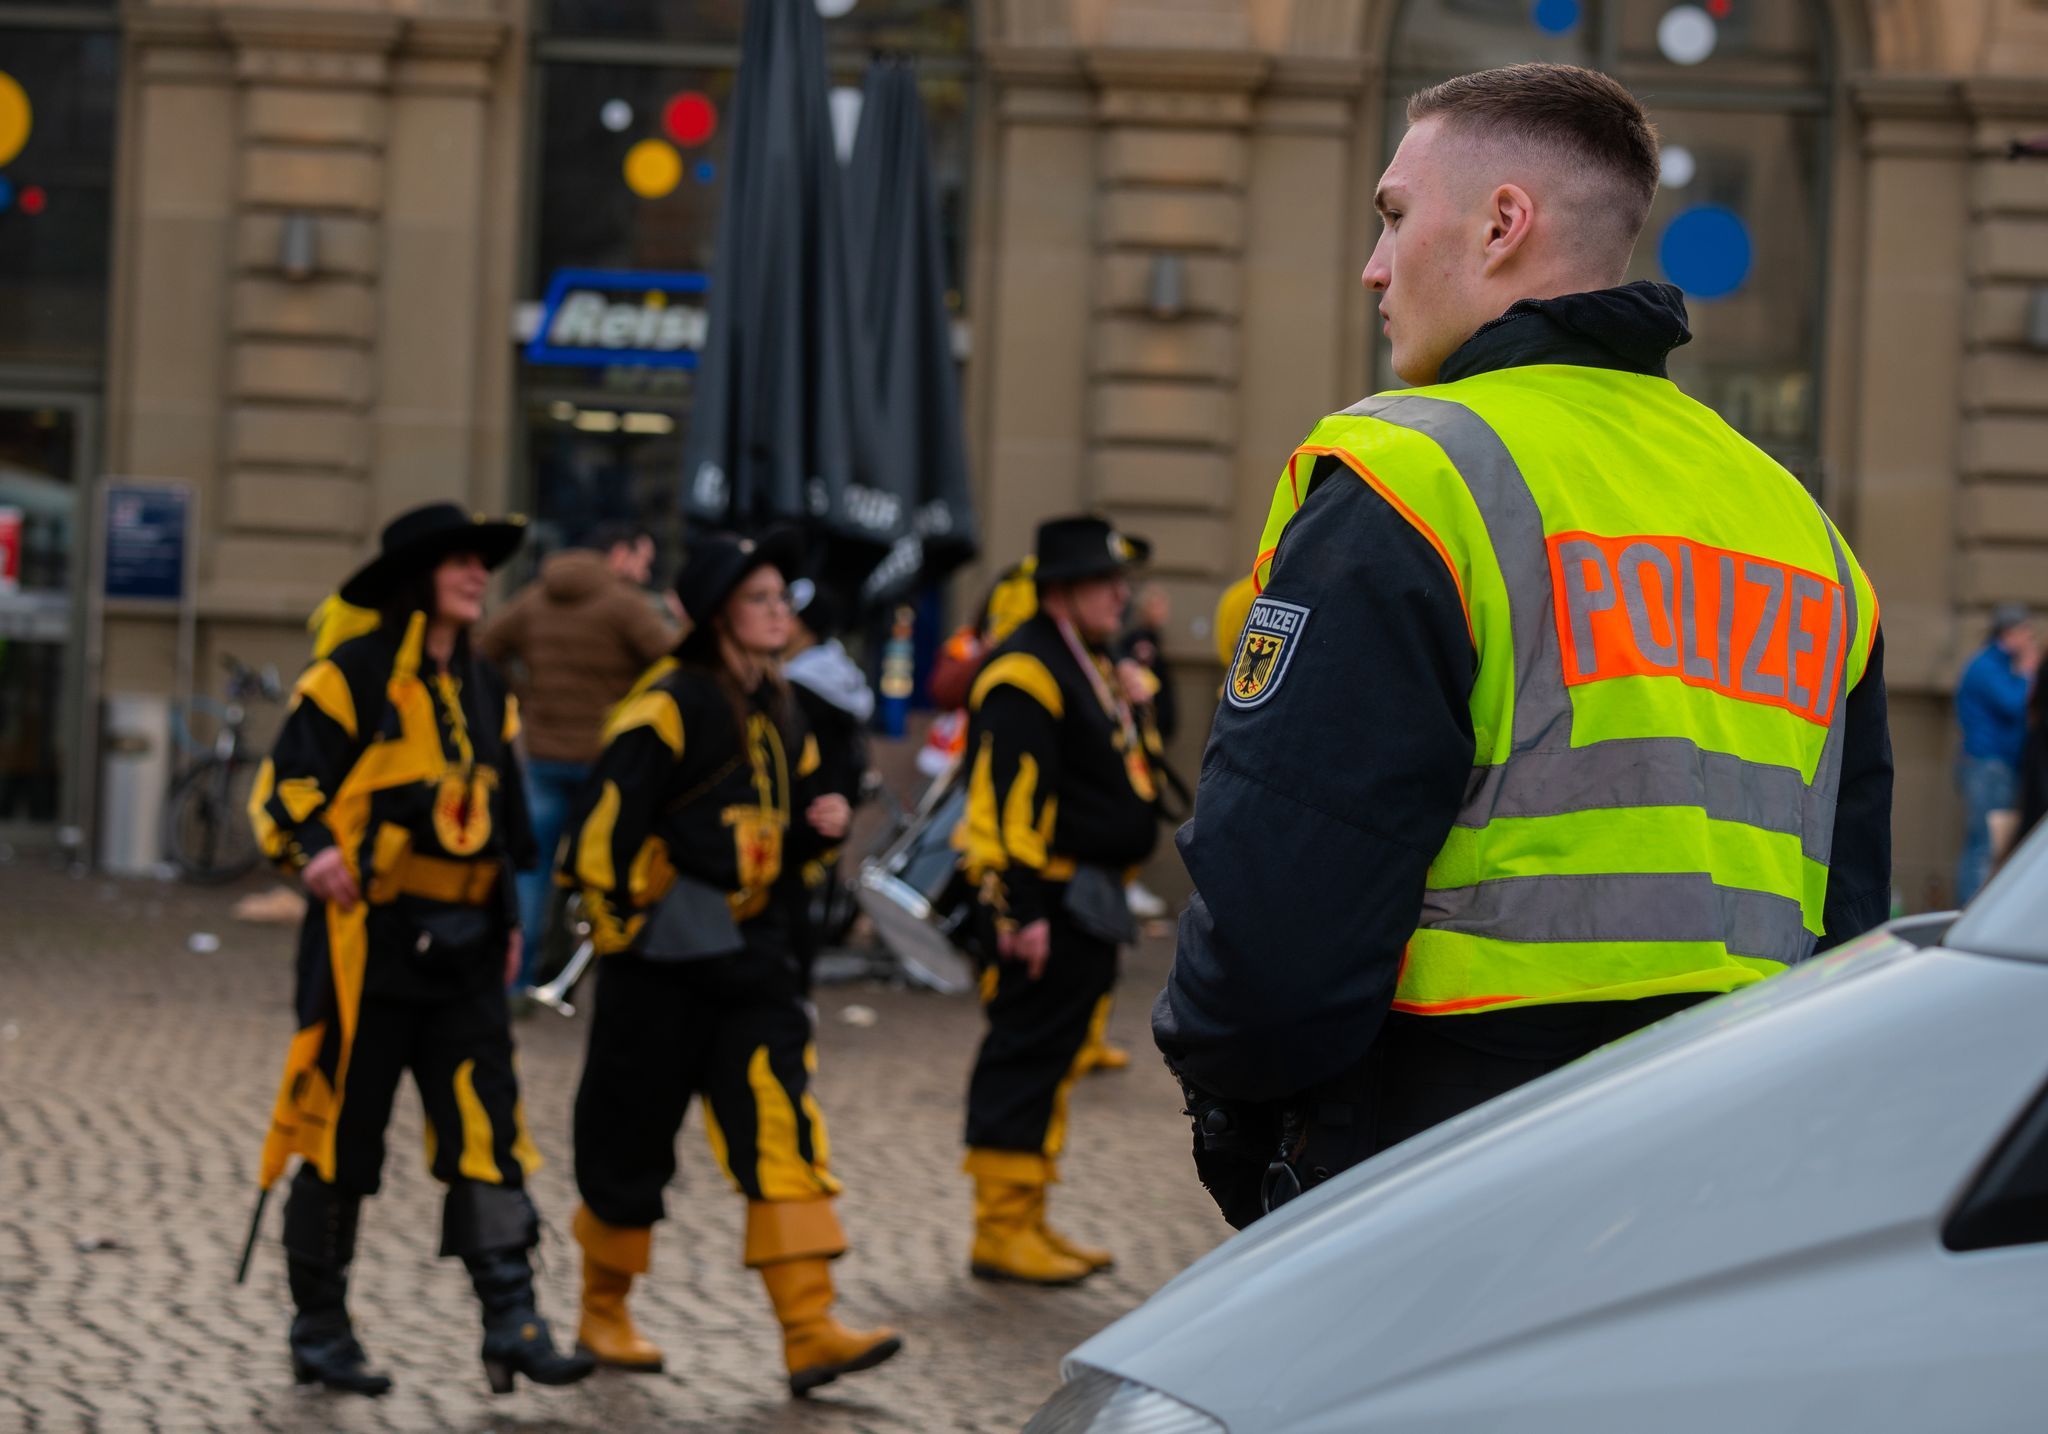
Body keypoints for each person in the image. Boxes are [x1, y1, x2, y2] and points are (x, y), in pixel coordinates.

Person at [1155, 63, 1894, 1231]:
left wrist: (1248, 1121)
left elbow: (1280, 910)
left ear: (1501, 224)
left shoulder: (1410, 479)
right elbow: (1852, 914)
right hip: (1724, 1167)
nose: (1372, 265)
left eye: (1394, 217)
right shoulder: (1795, 524)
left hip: (1448, 1154)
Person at [247, 502, 595, 1396]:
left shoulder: (485, 683)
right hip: (371, 952)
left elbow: (508, 820)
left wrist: (517, 918)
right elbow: (285, 788)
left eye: (484, 563)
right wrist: (317, 850)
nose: (479, 575)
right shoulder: (349, 677)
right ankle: (320, 1328)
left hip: (471, 953)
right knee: (340, 1136)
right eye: (460, 563)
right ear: (420, 577)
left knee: (488, 1130)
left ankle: (512, 1320)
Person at [560, 532, 903, 1397]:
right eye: (759, 600)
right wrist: (622, 930)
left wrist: (814, 833)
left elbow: (786, 837)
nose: (780, 611)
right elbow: (600, 836)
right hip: (661, 965)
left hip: (750, 961)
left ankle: (808, 1326)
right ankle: (603, 1311)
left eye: (781, 598)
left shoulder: (783, 705)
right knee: (627, 1138)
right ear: (717, 615)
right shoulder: (666, 704)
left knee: (780, 1129)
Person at [955, 515, 1164, 1284]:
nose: (1123, 595)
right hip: (1047, 897)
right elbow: (1002, 805)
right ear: (1064, 590)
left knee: (1055, 1056)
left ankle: (1028, 1216)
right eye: (1107, 582)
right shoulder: (1025, 670)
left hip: (1083, 894)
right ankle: (1000, 1227)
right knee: (1026, 1055)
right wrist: (1021, 911)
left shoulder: (1084, 661)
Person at [477, 522, 678, 992]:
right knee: (606, 873)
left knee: (531, 871)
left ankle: (516, 983)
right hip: (605, 762)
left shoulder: (533, 598)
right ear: (619, 554)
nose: (645, 571)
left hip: (544, 755)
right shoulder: (625, 605)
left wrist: (524, 696)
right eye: (643, 559)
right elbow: (674, 661)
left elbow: (484, 647)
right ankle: (603, 980)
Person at [783, 580, 875, 983]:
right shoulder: (838, 672)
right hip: (831, 805)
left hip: (810, 810)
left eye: (785, 609)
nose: (776, 616)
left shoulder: (801, 685)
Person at [1954, 604, 2039, 901]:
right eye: (2025, 633)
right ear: (2010, 633)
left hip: (1994, 764)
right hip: (1987, 764)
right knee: (1984, 845)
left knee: (1989, 844)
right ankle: (1968, 914)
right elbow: (2014, 704)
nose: (2030, 640)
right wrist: (2028, 673)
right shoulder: (1986, 666)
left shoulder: (1996, 665)